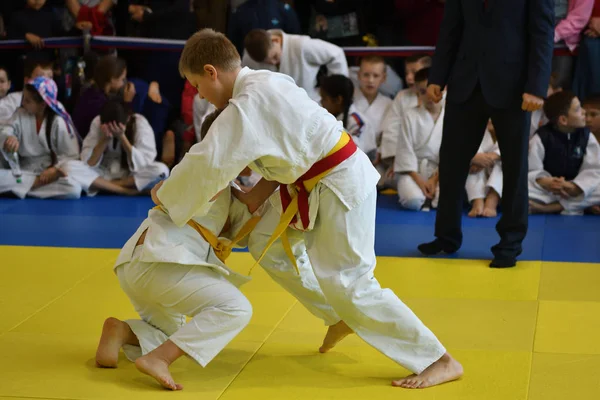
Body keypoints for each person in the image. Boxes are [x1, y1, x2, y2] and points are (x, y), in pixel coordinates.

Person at [154, 28, 462, 389]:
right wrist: (255, 198)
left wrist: (168, 193)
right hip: (313, 182)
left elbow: (207, 161)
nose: (199, 94)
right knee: (265, 242)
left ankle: (438, 358)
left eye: (196, 85)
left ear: (211, 72)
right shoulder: (265, 83)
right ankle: (337, 316)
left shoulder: (247, 105)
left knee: (352, 283)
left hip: (340, 184)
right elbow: (293, 152)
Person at [94, 109, 263, 391]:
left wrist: (287, 174)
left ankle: (122, 331)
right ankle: (159, 359)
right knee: (235, 309)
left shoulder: (223, 181)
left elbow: (251, 201)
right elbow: (163, 192)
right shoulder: (210, 168)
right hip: (160, 264)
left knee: (176, 333)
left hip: (137, 265)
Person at [419, 0, 555, 268]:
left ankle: (509, 244)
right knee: (451, 163)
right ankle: (446, 236)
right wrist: (438, 76)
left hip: (514, 85)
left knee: (515, 167)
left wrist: (537, 86)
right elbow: (450, 29)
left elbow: (542, 33)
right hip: (465, 81)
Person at [65, 100, 169, 196]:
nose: (113, 129)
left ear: (128, 118)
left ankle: (105, 186)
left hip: (128, 176)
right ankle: (124, 190)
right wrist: (104, 139)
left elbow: (143, 164)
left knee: (161, 171)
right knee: (69, 167)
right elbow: (88, 162)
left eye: (116, 126)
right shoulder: (98, 122)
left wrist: (122, 137)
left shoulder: (139, 123)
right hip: (101, 173)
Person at [0, 77, 81, 199]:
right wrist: (10, 137)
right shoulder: (20, 113)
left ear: (42, 104)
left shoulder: (57, 122)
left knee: (73, 189)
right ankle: (33, 184)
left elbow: (71, 156)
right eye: (24, 99)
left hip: (48, 173)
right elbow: (7, 129)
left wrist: (55, 169)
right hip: (22, 171)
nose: (22, 103)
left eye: (28, 101)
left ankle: (21, 188)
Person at [528, 91, 600, 214]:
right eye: (578, 109)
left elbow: (594, 169)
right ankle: (579, 205)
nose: (584, 112)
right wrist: (546, 181)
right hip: (549, 189)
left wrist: (576, 187)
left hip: (574, 188)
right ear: (563, 120)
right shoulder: (542, 137)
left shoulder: (586, 136)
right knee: (519, 187)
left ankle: (549, 208)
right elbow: (532, 169)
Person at [242, 28, 349, 101]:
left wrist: (331, 90)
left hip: (311, 105)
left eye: (274, 56)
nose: (273, 63)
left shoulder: (301, 45)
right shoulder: (249, 58)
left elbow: (336, 54)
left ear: (276, 40)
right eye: (266, 63)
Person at [393, 68, 443, 211]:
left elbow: (451, 154)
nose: (429, 96)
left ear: (444, 89)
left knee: (445, 202)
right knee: (413, 200)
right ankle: (422, 194)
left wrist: (434, 179)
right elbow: (405, 152)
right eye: (422, 92)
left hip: (441, 172)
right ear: (417, 93)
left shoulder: (451, 117)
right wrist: (421, 182)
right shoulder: (410, 116)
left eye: (433, 90)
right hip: (414, 172)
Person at [378, 54, 431, 189]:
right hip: (405, 162)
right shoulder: (402, 96)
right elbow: (391, 130)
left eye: (414, 72)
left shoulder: (441, 96)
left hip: (435, 162)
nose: (408, 77)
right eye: (407, 72)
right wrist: (396, 160)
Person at [319, 74, 375, 160]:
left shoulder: (358, 122)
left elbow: (354, 154)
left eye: (324, 99)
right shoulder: (330, 118)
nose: (321, 103)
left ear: (338, 100)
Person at [466, 120, 502, 218]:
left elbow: (516, 147)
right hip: (477, 172)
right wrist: (474, 158)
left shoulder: (511, 129)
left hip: (499, 180)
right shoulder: (473, 129)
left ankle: (492, 200)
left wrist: (494, 156)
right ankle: (477, 200)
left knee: (505, 163)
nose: (490, 119)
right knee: (470, 165)